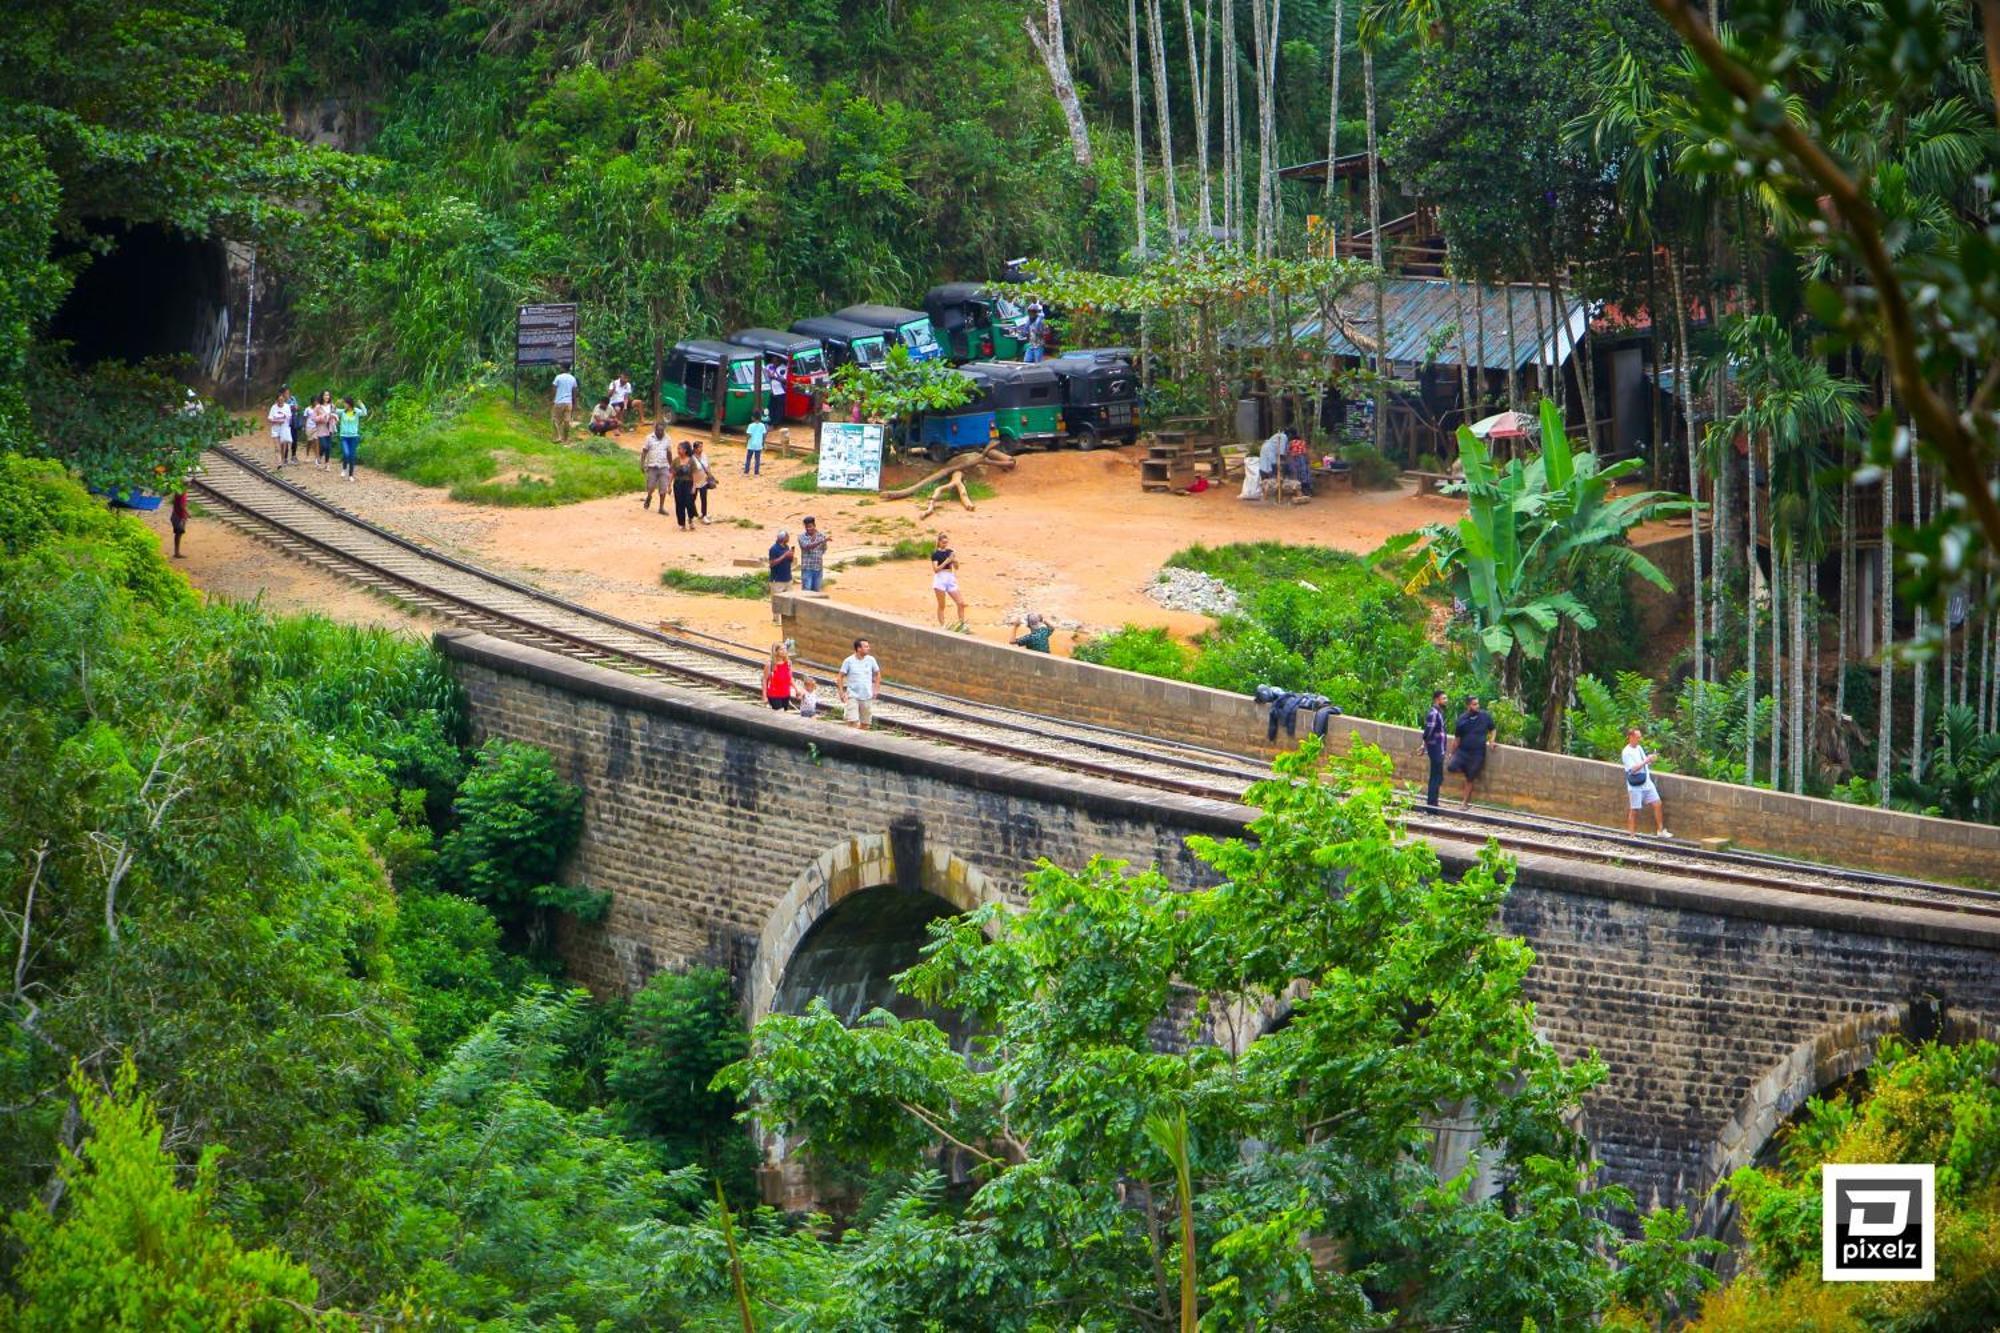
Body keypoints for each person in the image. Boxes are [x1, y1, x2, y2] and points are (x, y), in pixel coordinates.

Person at [1445, 694, 1496, 809]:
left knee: (1470, 777)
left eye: (1478, 704)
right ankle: (1466, 770)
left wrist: (1492, 741)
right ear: (1468, 706)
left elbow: (1493, 729)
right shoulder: (1462, 720)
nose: (1477, 706)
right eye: (1474, 704)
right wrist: (1452, 753)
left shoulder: (1485, 716)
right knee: (1451, 767)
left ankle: (1464, 803)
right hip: (1463, 752)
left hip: (1477, 753)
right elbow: (1457, 739)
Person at [1621, 726, 1670, 837]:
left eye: (1640, 737)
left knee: (1657, 803)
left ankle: (1660, 830)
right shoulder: (1626, 752)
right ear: (1631, 737)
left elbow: (1644, 762)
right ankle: (1632, 835)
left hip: (1647, 782)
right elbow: (1632, 769)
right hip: (1635, 784)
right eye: (1637, 737)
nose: (1639, 739)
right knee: (1634, 810)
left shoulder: (1639, 748)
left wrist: (1650, 759)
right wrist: (1645, 761)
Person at [838, 637, 881, 730]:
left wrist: (876, 689)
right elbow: (840, 676)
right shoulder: (848, 661)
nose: (868, 648)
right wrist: (841, 692)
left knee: (865, 724)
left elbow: (877, 674)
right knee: (852, 721)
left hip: (866, 695)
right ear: (858, 648)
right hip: (853, 695)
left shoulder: (871, 660)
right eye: (866, 646)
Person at [931, 532, 968, 630]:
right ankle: (943, 625)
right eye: (943, 542)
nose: (945, 544)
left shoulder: (950, 552)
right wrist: (947, 561)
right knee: (942, 605)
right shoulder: (935, 554)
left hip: (950, 577)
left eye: (946, 542)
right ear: (939, 542)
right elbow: (936, 569)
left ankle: (962, 624)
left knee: (961, 603)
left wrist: (955, 561)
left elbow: (957, 567)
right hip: (940, 578)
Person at [1420, 689, 1449, 810]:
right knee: (1435, 776)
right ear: (1437, 700)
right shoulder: (1434, 713)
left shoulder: (1439, 713)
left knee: (1438, 776)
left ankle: (1433, 802)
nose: (1446, 701)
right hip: (1435, 748)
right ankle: (1431, 804)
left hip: (1439, 749)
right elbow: (1428, 732)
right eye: (1444, 698)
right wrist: (1424, 745)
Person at [640, 423, 673, 513]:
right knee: (651, 487)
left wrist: (671, 465)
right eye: (658, 430)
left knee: (663, 488)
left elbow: (669, 453)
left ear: (664, 430)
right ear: (655, 430)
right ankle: (649, 496)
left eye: (662, 430)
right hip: (652, 466)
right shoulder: (649, 438)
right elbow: (644, 451)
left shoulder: (668, 438)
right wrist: (642, 464)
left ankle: (661, 508)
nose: (660, 432)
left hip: (664, 466)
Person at [335, 396, 368, 481]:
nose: (344, 405)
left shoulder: (356, 411)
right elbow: (332, 410)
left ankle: (351, 475)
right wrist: (336, 403)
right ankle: (344, 468)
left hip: (354, 437)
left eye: (345, 403)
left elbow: (364, 413)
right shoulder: (342, 412)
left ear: (349, 403)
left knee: (352, 456)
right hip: (344, 436)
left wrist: (361, 404)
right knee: (346, 454)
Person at [796, 515, 828, 592]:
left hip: (818, 568)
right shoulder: (801, 537)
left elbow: (823, 550)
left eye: (810, 526)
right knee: (806, 592)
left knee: (817, 592)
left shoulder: (822, 536)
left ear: (814, 526)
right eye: (806, 527)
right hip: (807, 568)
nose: (808, 528)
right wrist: (820, 541)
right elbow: (807, 547)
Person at [670, 442, 698, 530]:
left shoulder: (691, 461)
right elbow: (672, 473)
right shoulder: (675, 461)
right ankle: (682, 523)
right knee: (679, 503)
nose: (678, 450)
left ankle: (690, 518)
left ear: (685, 450)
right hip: (678, 484)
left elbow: (694, 474)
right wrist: (669, 485)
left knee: (689, 502)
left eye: (680, 449)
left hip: (688, 484)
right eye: (677, 449)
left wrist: (694, 486)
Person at [551, 362, 579, 443]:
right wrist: (575, 403)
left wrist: (553, 399)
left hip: (559, 402)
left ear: (563, 368)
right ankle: (565, 439)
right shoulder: (572, 378)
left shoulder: (558, 377)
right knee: (567, 421)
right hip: (568, 403)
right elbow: (575, 392)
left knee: (556, 420)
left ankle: (558, 437)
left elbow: (554, 388)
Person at [690, 440, 717, 524]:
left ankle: (704, 515)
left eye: (702, 447)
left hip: (703, 481)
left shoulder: (704, 455)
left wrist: (710, 475)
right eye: (699, 447)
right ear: (695, 448)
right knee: (692, 499)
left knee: (703, 499)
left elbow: (707, 466)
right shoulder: (691, 458)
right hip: (694, 482)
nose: (701, 449)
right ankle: (691, 515)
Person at [763, 643, 796, 711]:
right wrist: (764, 696)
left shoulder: (788, 663)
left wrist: (797, 689)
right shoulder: (770, 665)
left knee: (784, 714)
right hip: (774, 694)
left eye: (785, 649)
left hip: (786, 693)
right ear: (776, 651)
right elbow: (764, 680)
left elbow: (790, 678)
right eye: (781, 649)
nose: (784, 651)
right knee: (780, 712)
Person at [267, 391, 293, 467]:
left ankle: (282, 460)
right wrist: (275, 420)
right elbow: (269, 418)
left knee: (283, 447)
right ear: (277, 400)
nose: (281, 402)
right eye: (279, 400)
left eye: (282, 400)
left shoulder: (287, 407)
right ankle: (279, 463)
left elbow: (289, 417)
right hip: (275, 429)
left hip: (284, 429)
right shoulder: (273, 407)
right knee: (277, 447)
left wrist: (284, 419)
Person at [311, 392, 337, 468]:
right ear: (322, 396)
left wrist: (334, 417)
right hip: (321, 429)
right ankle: (319, 457)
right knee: (324, 446)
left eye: (328, 395)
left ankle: (327, 464)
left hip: (330, 428)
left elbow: (336, 415)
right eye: (325, 395)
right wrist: (323, 416)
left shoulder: (332, 406)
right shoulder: (318, 407)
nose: (327, 396)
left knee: (328, 447)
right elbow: (313, 418)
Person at [768, 528, 794, 594]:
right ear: (783, 538)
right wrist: (784, 555)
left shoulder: (787, 547)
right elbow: (772, 564)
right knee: (777, 601)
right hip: (777, 580)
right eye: (787, 536)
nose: (788, 538)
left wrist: (791, 556)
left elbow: (790, 561)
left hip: (788, 579)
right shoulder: (774, 549)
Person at [283, 386, 303, 463]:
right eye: (285, 393)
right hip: (286, 423)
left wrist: (296, 407)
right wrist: (290, 408)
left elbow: (297, 407)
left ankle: (293, 456)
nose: (287, 394)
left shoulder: (293, 399)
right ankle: (285, 457)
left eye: (288, 392)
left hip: (294, 422)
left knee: (294, 439)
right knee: (286, 440)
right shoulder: (282, 400)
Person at [169, 489, 189, 559]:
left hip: (176, 514)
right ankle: (177, 553)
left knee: (178, 534)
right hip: (179, 516)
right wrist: (187, 513)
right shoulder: (182, 492)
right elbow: (181, 506)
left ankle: (176, 552)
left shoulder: (178, 491)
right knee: (178, 534)